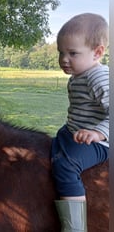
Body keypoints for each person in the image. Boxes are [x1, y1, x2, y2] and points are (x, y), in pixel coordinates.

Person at [51, 13, 109, 232]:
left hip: (99, 141)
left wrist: (98, 133)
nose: (64, 59)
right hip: (75, 131)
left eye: (72, 53)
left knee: (66, 165)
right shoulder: (79, 75)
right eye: (61, 53)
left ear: (97, 52)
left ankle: (75, 227)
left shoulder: (98, 77)